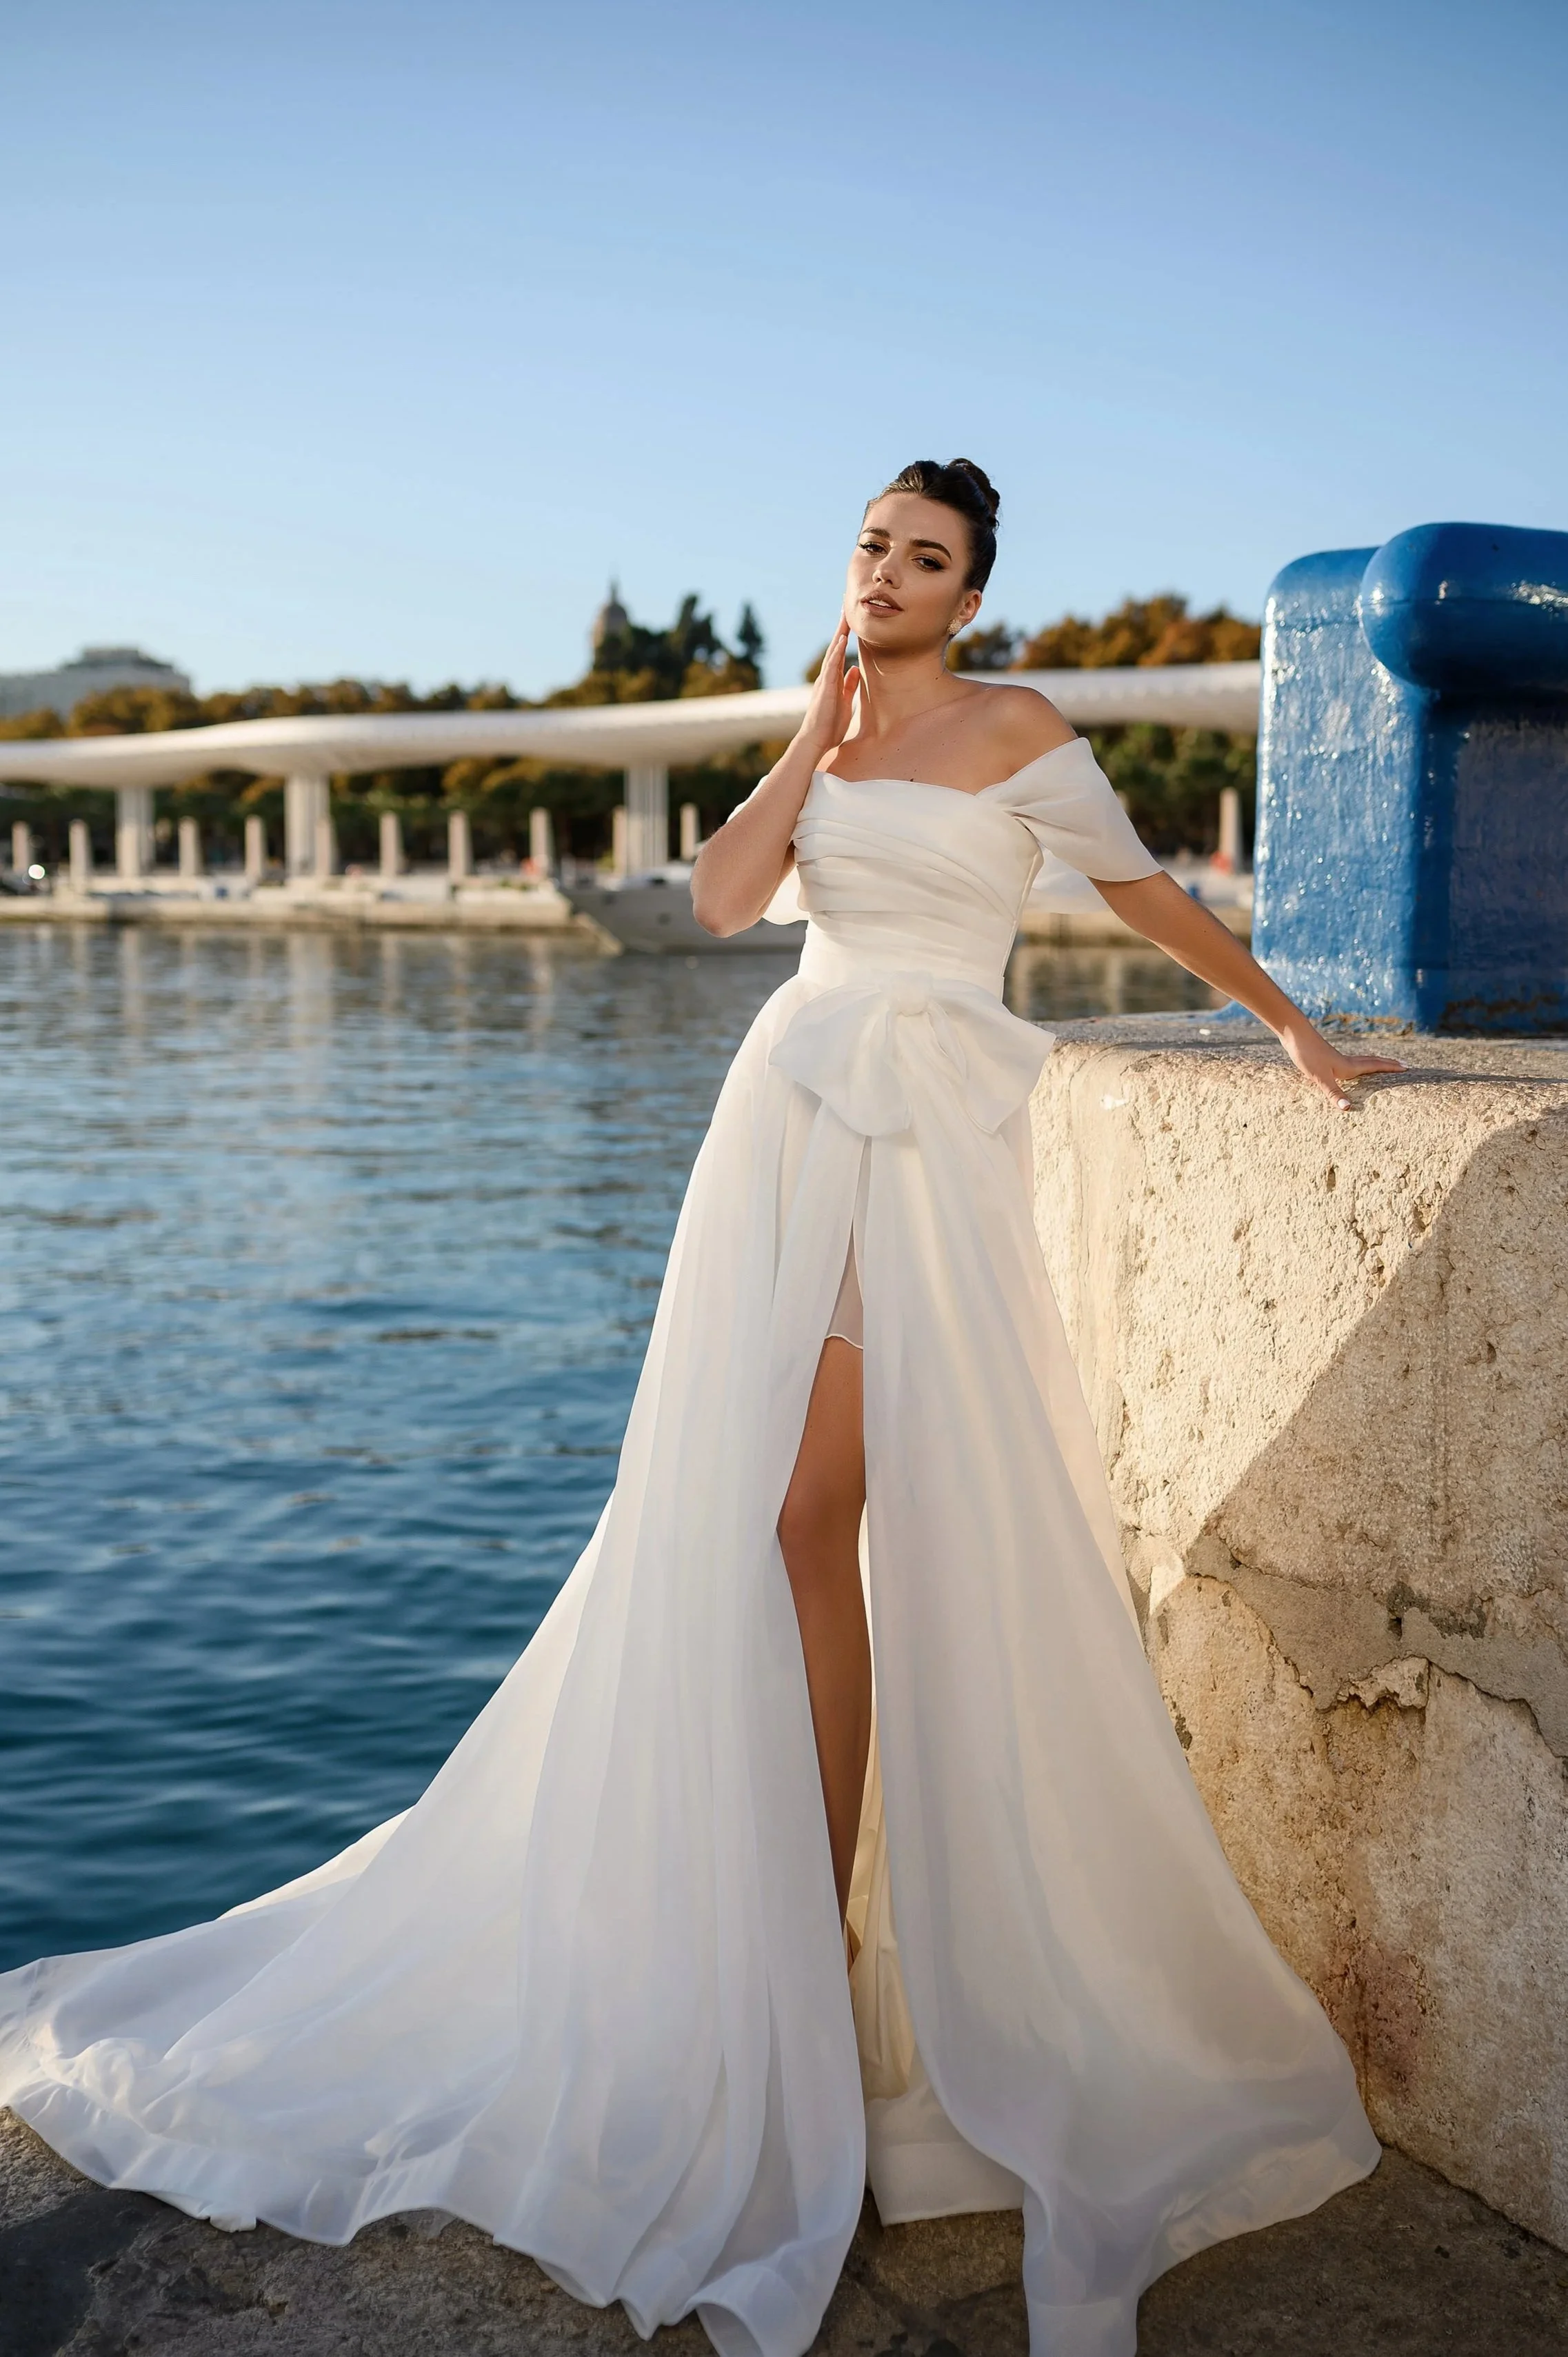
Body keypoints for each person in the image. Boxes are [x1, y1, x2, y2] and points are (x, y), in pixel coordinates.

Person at [0, 461, 1396, 2357]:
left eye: (927, 561)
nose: (890, 579)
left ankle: (880, 1955)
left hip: (937, 1138)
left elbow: (1143, 896)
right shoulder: (820, 721)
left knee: (892, 1525)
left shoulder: (1020, 727)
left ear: (973, 593)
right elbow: (729, 899)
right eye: (874, 550)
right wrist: (808, 734)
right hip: (793, 1114)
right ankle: (811, 1941)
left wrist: (1291, 1019)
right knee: (773, 1521)